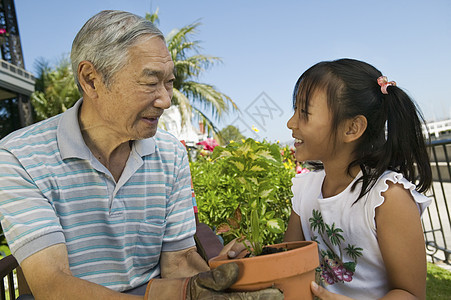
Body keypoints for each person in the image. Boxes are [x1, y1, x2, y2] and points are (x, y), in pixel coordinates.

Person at [0, 10, 282, 300]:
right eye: (150, 83)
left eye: (169, 82)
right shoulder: (20, 158)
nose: (166, 100)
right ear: (91, 80)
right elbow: (53, 285)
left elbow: (179, 260)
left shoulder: (170, 153)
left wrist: (217, 281)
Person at [226, 58, 432, 299]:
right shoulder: (305, 190)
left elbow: (411, 293)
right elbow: (290, 263)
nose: (291, 123)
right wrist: (256, 253)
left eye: (304, 112)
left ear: (352, 128)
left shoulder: (387, 197)